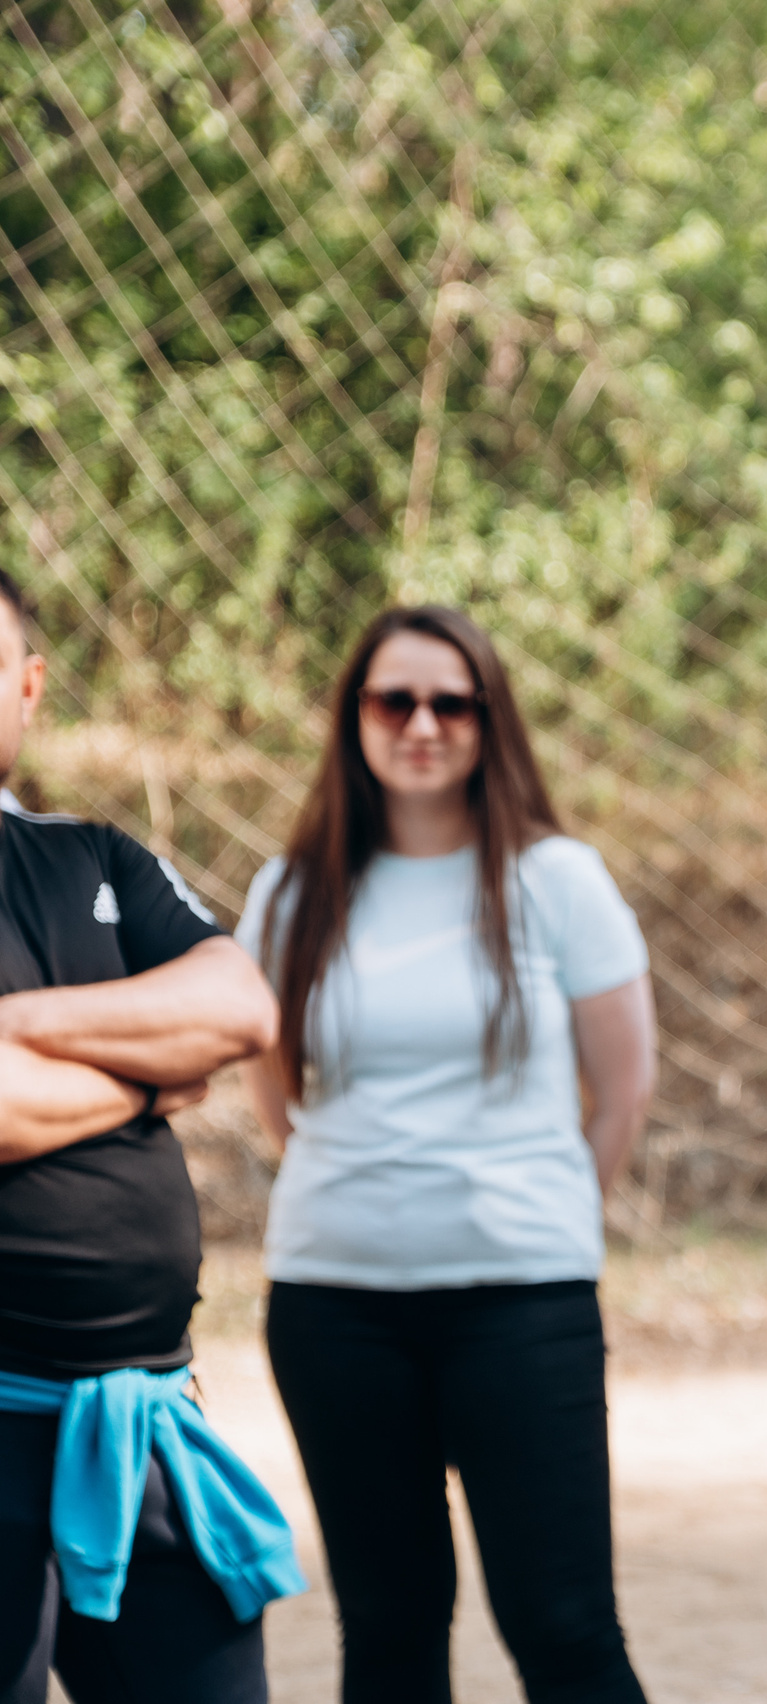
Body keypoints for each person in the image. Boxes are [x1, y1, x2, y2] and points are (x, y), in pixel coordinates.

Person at [239, 606, 659, 1704]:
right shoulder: (291, 893)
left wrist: (539, 1208)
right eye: (394, 700)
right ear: (356, 720)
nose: (422, 724)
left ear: (488, 719)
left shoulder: (557, 879)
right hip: (335, 1305)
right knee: (387, 1630)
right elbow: (272, 1092)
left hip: (521, 1300)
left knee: (565, 1629)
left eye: (451, 702)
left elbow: (621, 1091)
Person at [0, 568, 302, 1704]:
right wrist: (145, 1080)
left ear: (27, 690)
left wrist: (24, 1025)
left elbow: (239, 1012)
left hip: (144, 1422)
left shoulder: (98, 858)